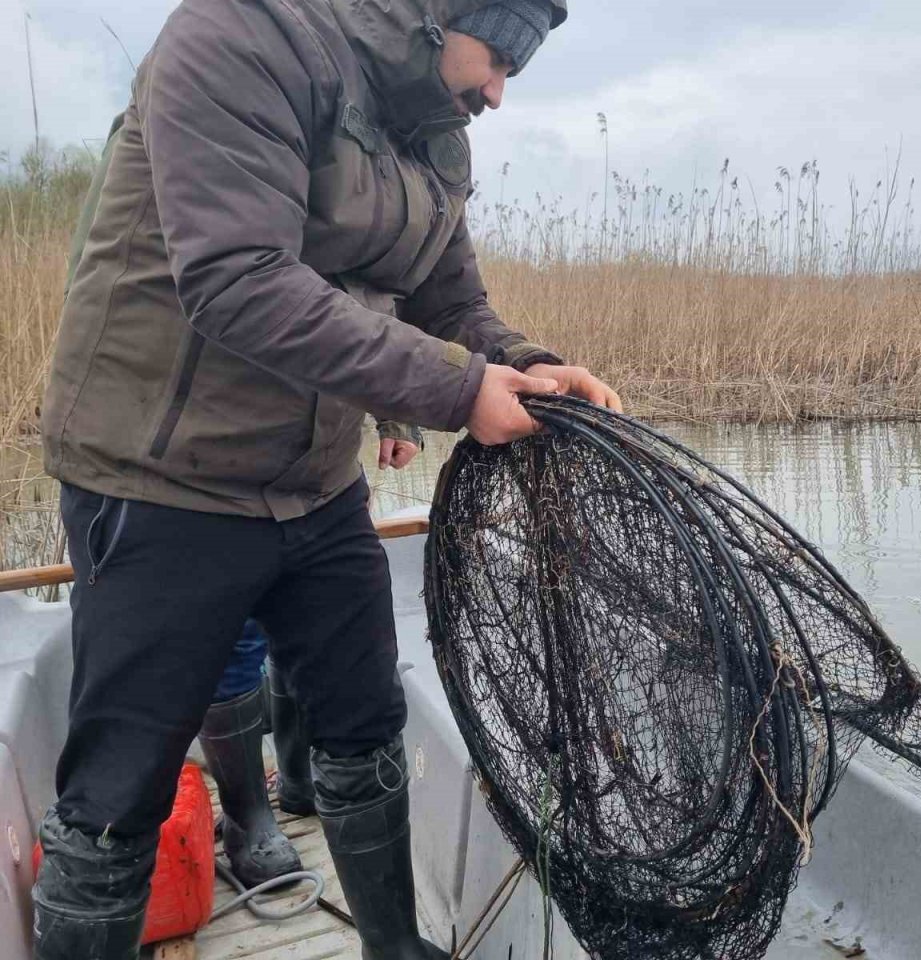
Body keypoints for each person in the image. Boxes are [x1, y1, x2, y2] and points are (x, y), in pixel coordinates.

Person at [32, 0, 621, 956]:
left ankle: (394, 947)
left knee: (366, 721)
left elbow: (450, 301)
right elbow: (239, 280)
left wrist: (525, 363)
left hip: (314, 482)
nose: (498, 92)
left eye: (519, 68)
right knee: (118, 788)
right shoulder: (239, 36)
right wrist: (459, 389)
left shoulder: (437, 134)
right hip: (159, 478)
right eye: (501, 54)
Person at [200, 434, 419, 888]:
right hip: (207, 480)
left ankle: (298, 781)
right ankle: (248, 819)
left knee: (317, 622)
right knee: (233, 640)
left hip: (322, 475)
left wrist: (397, 418)